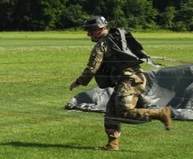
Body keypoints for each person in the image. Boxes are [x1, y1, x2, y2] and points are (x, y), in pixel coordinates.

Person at [68, 15, 172, 151]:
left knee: (122, 112)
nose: (88, 34)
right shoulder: (117, 39)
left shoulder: (103, 44)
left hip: (129, 80)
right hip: (134, 78)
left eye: (90, 31)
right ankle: (112, 144)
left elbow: (93, 67)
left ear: (98, 30)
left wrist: (79, 81)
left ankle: (160, 114)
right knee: (110, 113)